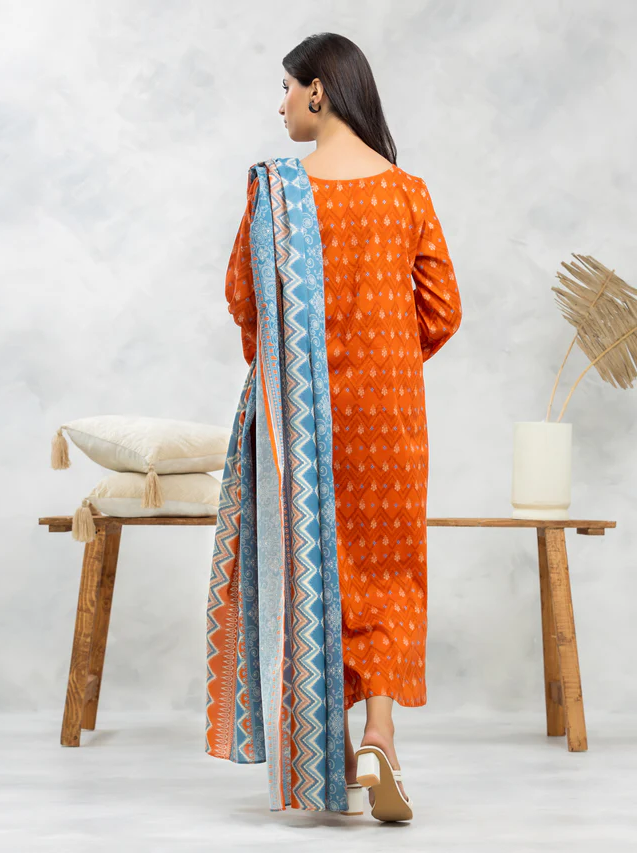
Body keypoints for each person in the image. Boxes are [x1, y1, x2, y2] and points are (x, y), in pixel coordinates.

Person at [210, 32, 462, 821]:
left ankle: (334, 750)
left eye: (287, 87)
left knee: (318, 566)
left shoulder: (278, 192)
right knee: (389, 572)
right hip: (392, 417)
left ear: (319, 91)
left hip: (304, 418)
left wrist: (294, 367)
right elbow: (443, 311)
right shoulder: (408, 193)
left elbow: (244, 300)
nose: (281, 104)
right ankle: (381, 731)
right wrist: (389, 357)